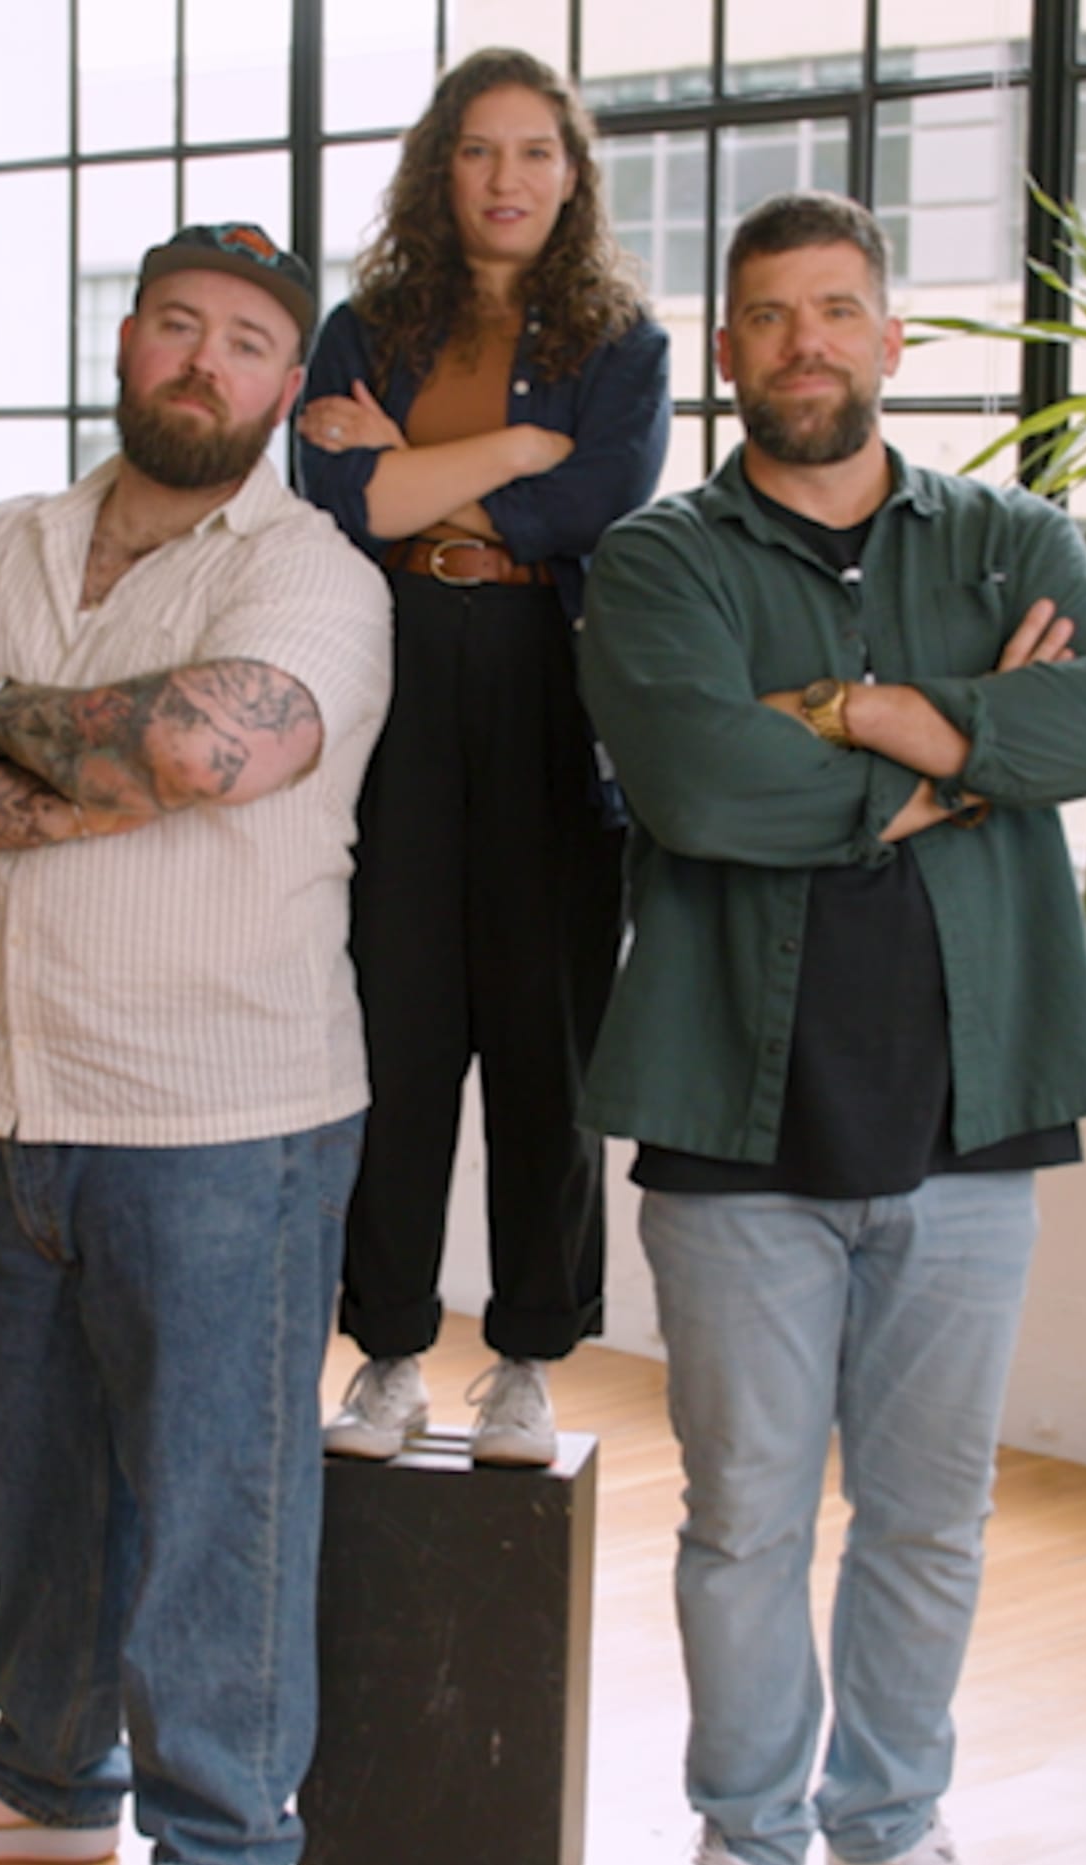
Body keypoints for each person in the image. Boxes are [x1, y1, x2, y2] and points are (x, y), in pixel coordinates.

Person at [576, 192, 1086, 1865]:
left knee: (930, 1513)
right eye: (770, 316)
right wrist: (965, 743)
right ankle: (747, 1847)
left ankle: (890, 1836)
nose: (807, 342)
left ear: (895, 339)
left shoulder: (1011, 535)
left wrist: (856, 710)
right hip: (734, 1123)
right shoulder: (663, 563)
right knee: (746, 1512)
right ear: (729, 352)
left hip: (974, 1111)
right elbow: (693, 783)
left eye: (841, 310)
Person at [0, 222, 390, 1865]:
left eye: (245, 343)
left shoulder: (312, 571)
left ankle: (220, 1855)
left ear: (284, 390)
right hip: (10, 1094)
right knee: (43, 1473)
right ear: (128, 343)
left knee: (223, 1497)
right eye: (176, 327)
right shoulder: (0, 546)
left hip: (228, 1112)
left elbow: (216, 749)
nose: (204, 364)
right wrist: (66, 757)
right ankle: (46, 1779)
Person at [293, 47, 669, 1470]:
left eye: (535, 152)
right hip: (392, 688)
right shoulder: (363, 326)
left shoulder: (623, 345)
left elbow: (591, 505)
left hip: (546, 694)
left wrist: (431, 470)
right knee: (392, 1028)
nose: (507, 179)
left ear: (572, 175)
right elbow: (340, 503)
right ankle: (387, 1350)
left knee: (542, 1035)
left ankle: (525, 1357)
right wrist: (516, 445)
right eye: (478, 151)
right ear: (437, 168)